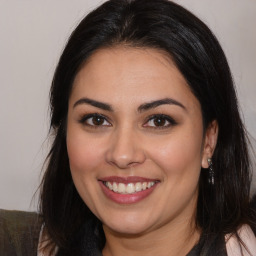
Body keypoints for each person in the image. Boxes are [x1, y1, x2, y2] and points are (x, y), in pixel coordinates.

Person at [1, 0, 255, 255]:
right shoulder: (14, 243)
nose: (122, 155)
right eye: (97, 120)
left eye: (159, 121)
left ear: (208, 140)